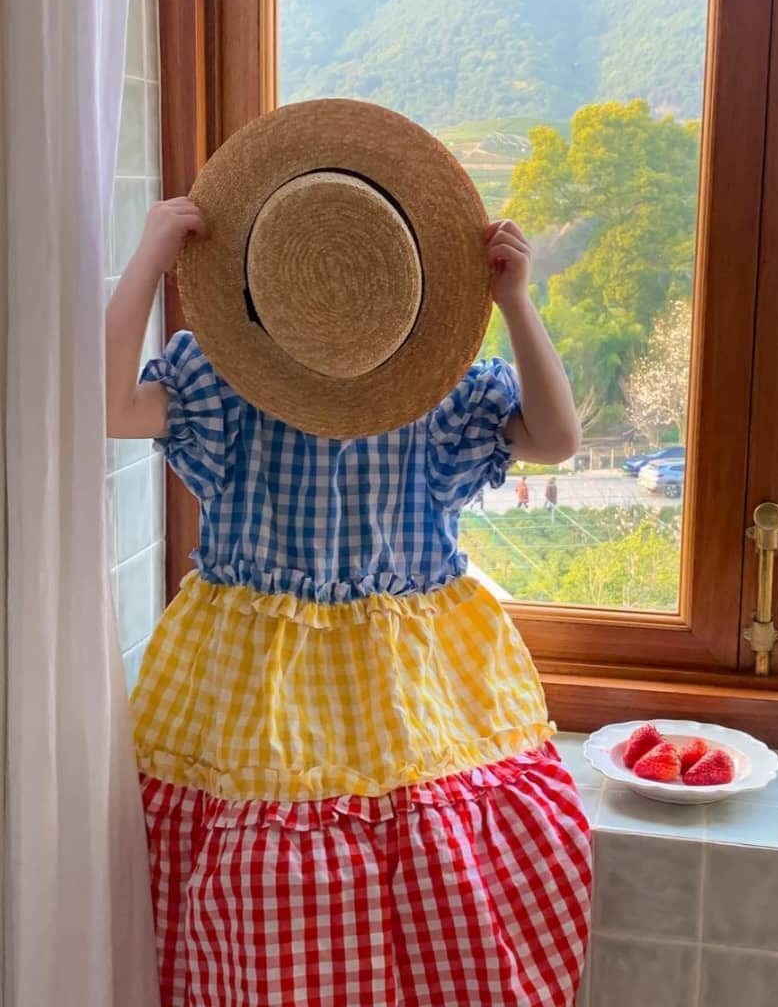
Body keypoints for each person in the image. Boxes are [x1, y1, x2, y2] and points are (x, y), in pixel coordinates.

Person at [108, 125, 590, 1003]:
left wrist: (518, 302)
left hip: (398, 681)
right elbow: (106, 403)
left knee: (427, 877)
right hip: (264, 684)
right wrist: (148, 257)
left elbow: (557, 440)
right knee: (268, 886)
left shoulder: (437, 393)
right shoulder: (229, 386)